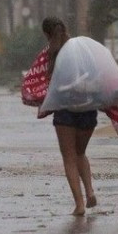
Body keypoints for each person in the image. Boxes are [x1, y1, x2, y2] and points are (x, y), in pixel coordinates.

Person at [41, 17, 97, 217]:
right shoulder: (82, 48)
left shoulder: (52, 54)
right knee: (80, 153)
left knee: (69, 158)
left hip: (65, 111)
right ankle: (90, 191)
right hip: (88, 109)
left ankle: (80, 204)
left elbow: (49, 85)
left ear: (47, 34)